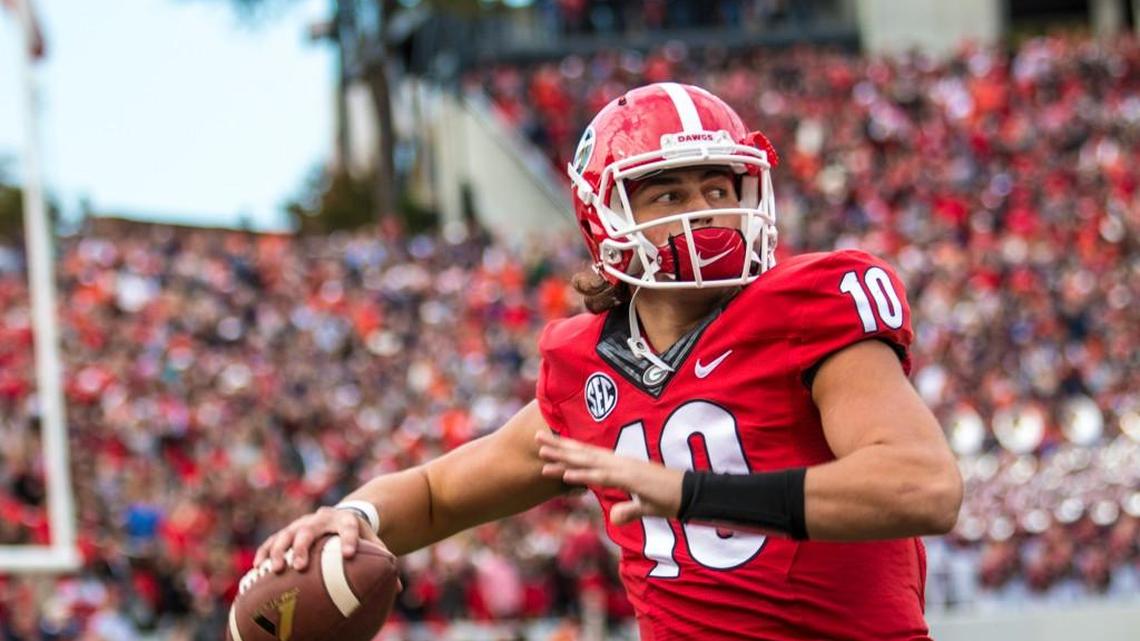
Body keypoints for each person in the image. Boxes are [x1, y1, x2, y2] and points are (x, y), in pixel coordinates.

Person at [253, 82, 963, 640]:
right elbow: (440, 493)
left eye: (721, 187)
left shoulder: (808, 305)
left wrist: (686, 490)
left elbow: (921, 486)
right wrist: (356, 515)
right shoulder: (590, 365)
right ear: (606, 216)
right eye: (671, 192)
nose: (707, 210)